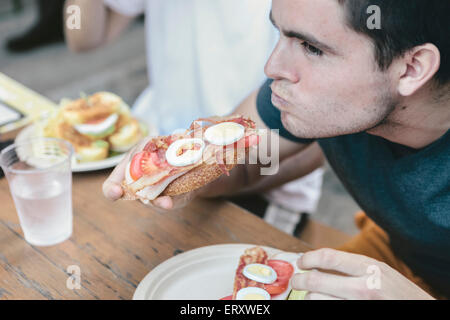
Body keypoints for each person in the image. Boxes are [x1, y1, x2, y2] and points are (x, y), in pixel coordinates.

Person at [104, 0, 450, 299]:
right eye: (282, 34)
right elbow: (244, 161)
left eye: (312, 48)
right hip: (394, 252)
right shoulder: (322, 101)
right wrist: (182, 171)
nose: (272, 69)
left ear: (412, 68)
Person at [65, 0, 325, 236]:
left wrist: (203, 176)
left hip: (263, 186)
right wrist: (184, 171)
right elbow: (82, 38)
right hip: (160, 155)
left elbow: (321, 144)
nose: (273, 69)